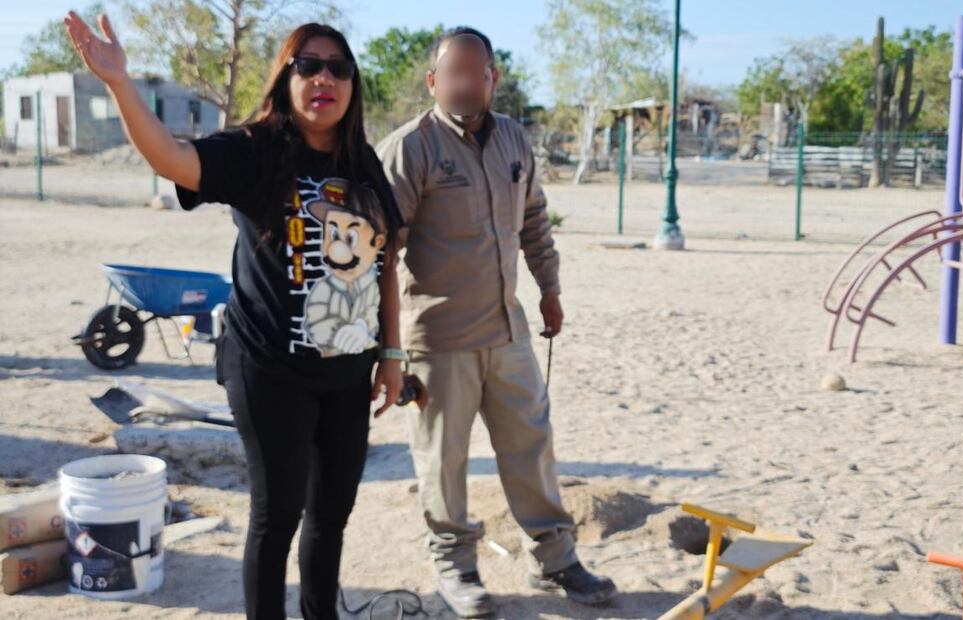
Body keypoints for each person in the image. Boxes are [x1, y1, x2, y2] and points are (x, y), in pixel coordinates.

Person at [64, 13, 405, 619]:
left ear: (352, 85)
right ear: (286, 77)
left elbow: (385, 264)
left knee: (331, 515)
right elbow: (170, 158)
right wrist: (119, 83)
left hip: (349, 373)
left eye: (338, 68)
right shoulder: (256, 149)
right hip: (268, 368)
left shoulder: (363, 163)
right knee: (278, 517)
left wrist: (393, 355)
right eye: (308, 65)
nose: (324, 78)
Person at [376, 27, 617, 618]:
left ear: (492, 77)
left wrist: (549, 289)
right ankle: (455, 568)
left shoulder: (512, 138)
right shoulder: (410, 149)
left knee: (531, 445)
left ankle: (554, 559)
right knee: (444, 461)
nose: (464, 84)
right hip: (438, 339)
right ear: (433, 81)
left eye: (475, 73)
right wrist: (388, 348)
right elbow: (379, 251)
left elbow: (533, 219)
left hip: (508, 331)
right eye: (452, 74)